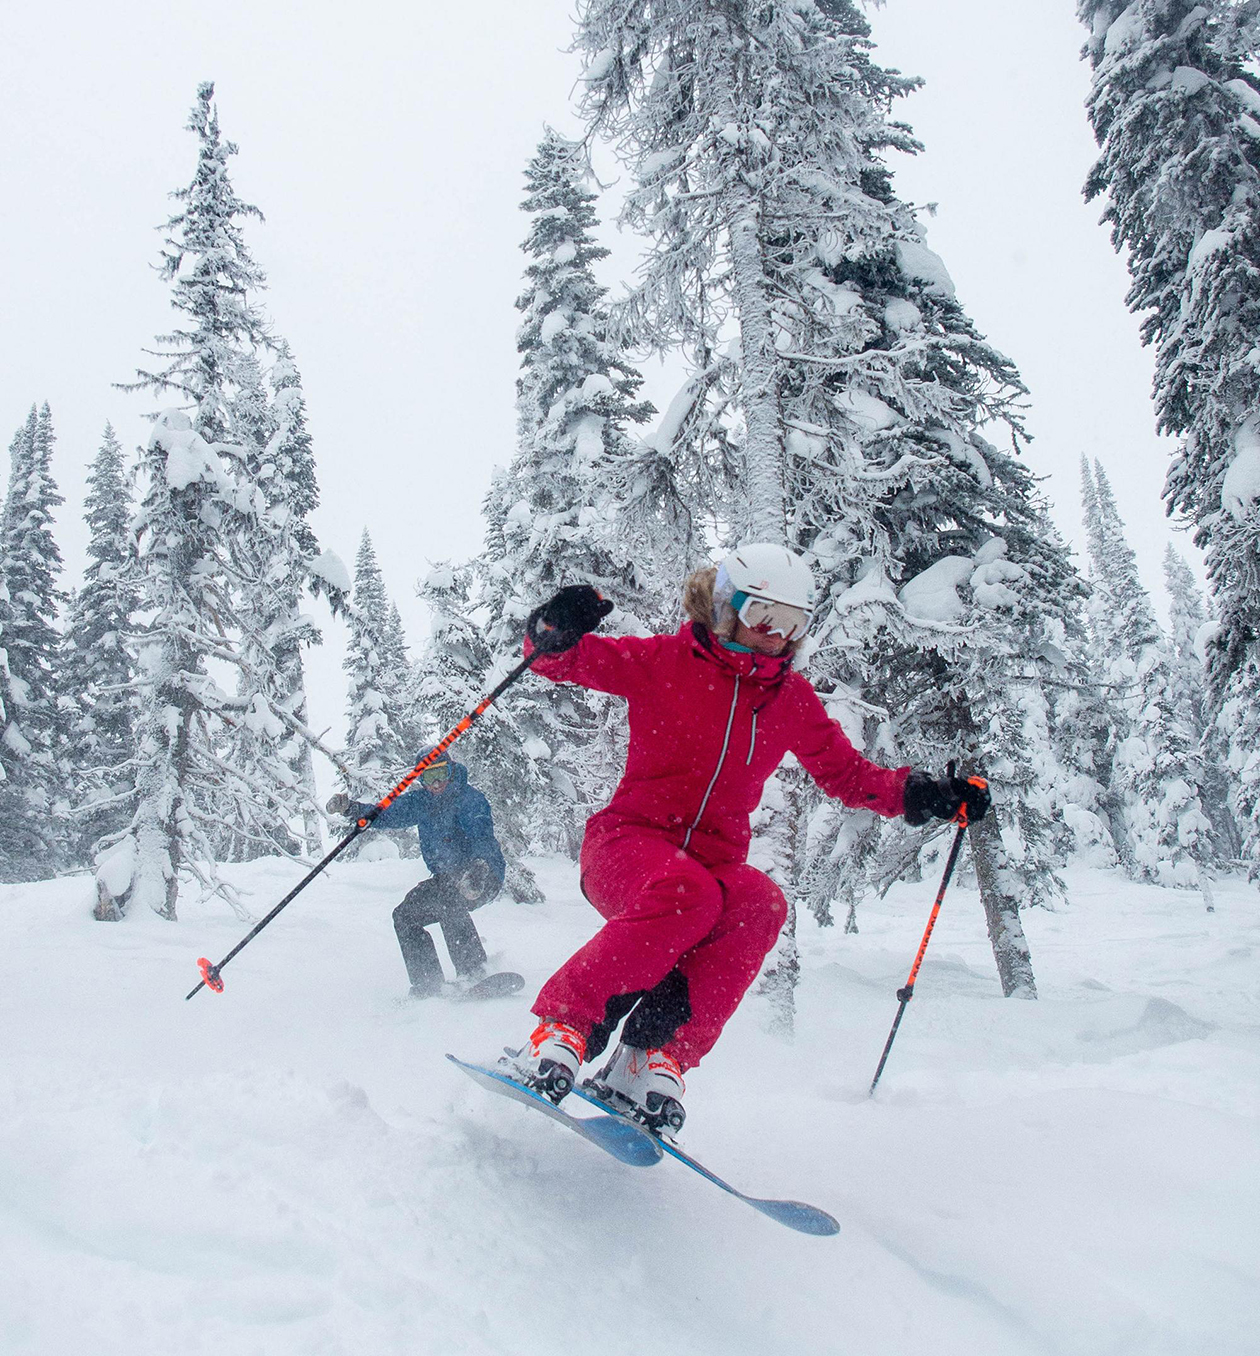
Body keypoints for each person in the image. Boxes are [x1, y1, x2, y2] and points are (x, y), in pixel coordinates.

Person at [506, 543, 990, 1133]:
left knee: (759, 903)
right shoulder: (663, 661)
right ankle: (564, 1029)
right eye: (764, 615)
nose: (776, 635)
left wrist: (925, 794)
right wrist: (554, 628)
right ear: (728, 609)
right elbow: (556, 662)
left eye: (793, 623)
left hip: (709, 869)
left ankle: (648, 1058)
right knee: (689, 892)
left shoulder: (790, 700)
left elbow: (848, 775)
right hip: (625, 846)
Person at [328, 747, 507, 998]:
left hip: (483, 874)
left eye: (441, 774)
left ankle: (474, 972)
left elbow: (482, 836)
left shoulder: (468, 799)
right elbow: (386, 813)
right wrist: (353, 809)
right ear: (420, 780)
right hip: (446, 879)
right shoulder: (421, 802)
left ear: (451, 770)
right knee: (404, 916)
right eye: (428, 777)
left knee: (448, 900)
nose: (436, 784)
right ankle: (428, 983)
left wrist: (480, 866)